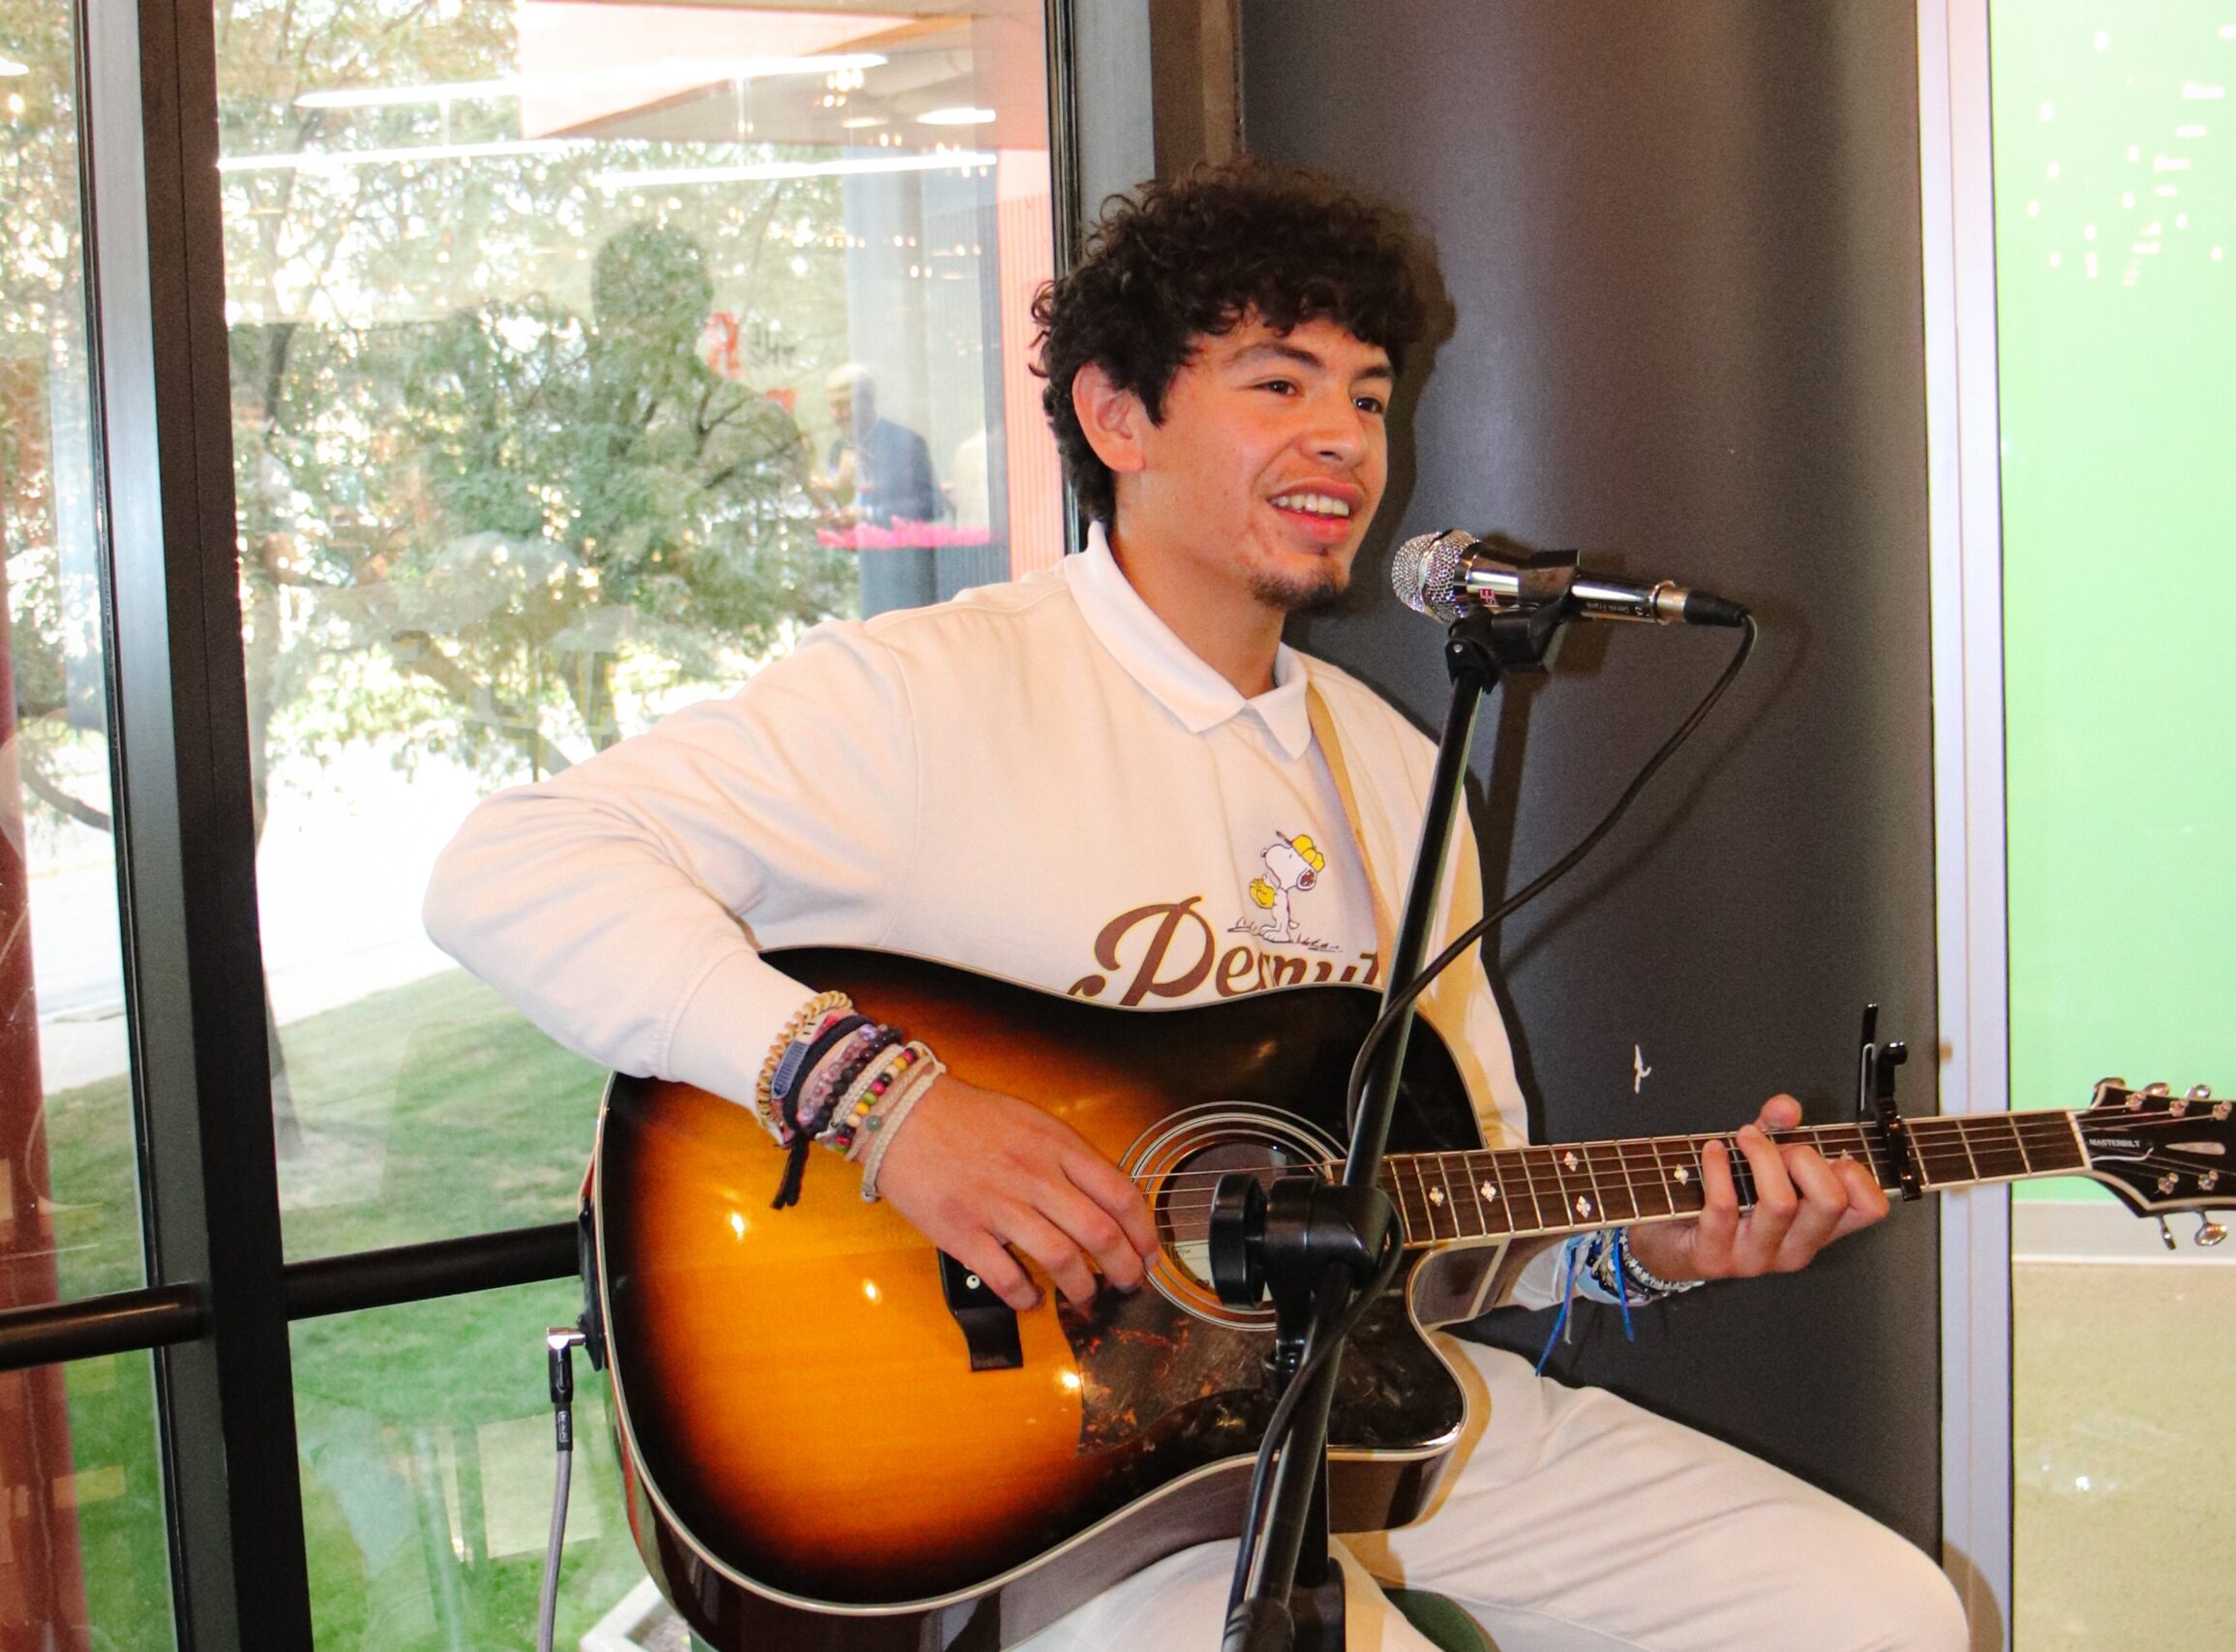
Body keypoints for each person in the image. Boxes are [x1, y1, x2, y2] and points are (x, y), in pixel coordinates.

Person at [424, 162, 1968, 1651]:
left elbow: (1446, 1193)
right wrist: (893, 1110)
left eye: (1369, 395)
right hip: (1059, 1463)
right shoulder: (930, 690)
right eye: (1279, 381)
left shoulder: (1393, 766)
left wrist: (1658, 1242)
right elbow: (511, 867)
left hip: (1355, 1406)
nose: (1344, 437)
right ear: (1119, 415)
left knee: (1883, 1612)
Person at [821, 362, 947, 616]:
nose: (838, 414)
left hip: (906, 580)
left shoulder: (905, 442)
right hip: (857, 583)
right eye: (833, 406)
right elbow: (841, 515)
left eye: (844, 404)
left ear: (868, 402)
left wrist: (870, 515)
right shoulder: (837, 450)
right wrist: (836, 495)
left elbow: (932, 505)